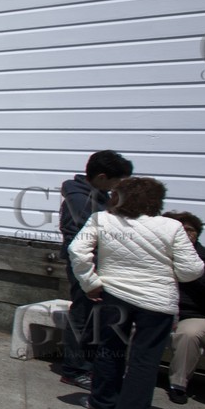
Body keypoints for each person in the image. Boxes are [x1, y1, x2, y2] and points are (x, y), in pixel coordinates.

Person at [68, 177, 204, 409]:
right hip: (157, 302)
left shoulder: (102, 219)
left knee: (110, 349)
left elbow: (77, 250)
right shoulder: (172, 227)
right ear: (156, 200)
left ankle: (102, 402)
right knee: (145, 359)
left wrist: (90, 282)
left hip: (113, 295)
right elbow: (191, 271)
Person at [57, 150, 133, 387]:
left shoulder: (98, 196)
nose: (119, 186)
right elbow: (76, 241)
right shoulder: (80, 200)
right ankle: (74, 368)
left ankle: (88, 366)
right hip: (86, 267)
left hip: (99, 265)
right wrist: (88, 272)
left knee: (93, 317)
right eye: (117, 181)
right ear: (102, 177)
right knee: (83, 316)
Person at [163, 211, 205, 405]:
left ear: (197, 233)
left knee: (188, 334)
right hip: (160, 308)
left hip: (195, 313)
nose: (186, 233)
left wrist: (191, 269)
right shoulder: (159, 254)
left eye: (190, 229)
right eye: (181, 229)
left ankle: (178, 385)